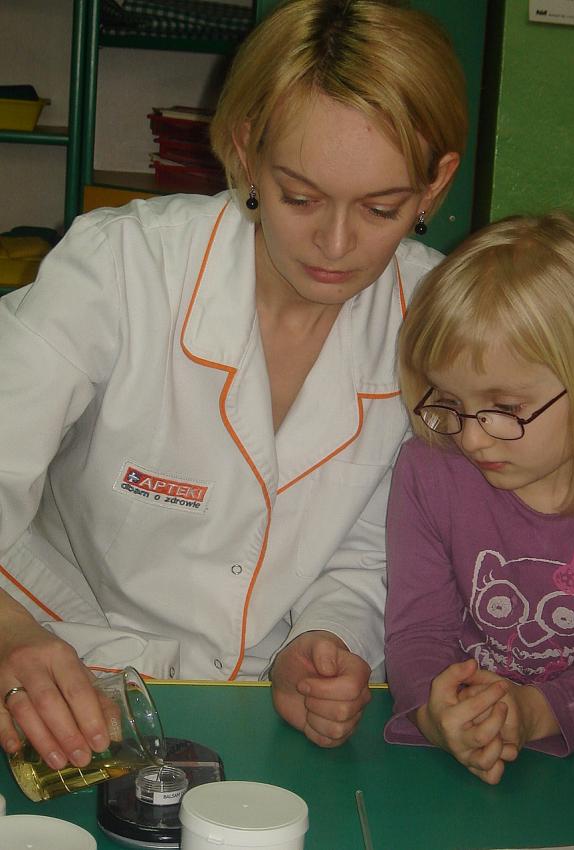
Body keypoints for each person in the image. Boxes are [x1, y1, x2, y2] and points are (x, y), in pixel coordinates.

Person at [0, 0, 467, 772]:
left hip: (263, 711)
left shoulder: (442, 325)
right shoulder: (123, 268)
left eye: (381, 208)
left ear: (434, 185)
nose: (336, 244)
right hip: (65, 658)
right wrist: (10, 634)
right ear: (248, 153)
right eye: (301, 197)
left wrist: (326, 638)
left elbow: (375, 547)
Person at [384, 210, 574, 785]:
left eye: (505, 408)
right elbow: (419, 633)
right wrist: (437, 713)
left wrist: (533, 713)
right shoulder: (429, 472)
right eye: (452, 401)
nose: (472, 438)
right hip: (449, 754)